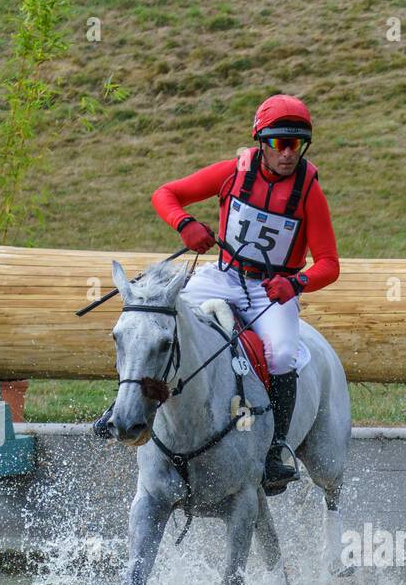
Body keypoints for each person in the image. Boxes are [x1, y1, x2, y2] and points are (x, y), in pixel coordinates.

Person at [140, 94, 340, 487]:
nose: (287, 154)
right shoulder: (233, 172)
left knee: (282, 354)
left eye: (296, 145)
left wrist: (296, 282)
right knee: (164, 321)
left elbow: (329, 264)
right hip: (224, 275)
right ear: (261, 142)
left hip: (271, 289)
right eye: (279, 144)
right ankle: (127, 410)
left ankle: (276, 449)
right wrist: (185, 224)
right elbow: (165, 194)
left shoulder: (309, 192)